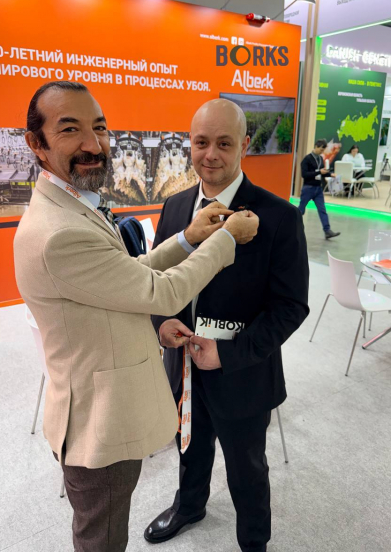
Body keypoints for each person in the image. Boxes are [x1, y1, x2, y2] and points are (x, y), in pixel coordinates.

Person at [13, 82, 259, 552]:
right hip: (98, 427)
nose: (93, 144)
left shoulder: (73, 204)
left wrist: (187, 238)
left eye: (100, 128)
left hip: (204, 382)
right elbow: (159, 291)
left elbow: (129, 274)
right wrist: (225, 240)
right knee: (103, 538)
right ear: (36, 143)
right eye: (70, 129)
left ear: (243, 145)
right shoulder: (59, 231)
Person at [144, 99, 310, 552]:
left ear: (245, 145)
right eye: (201, 142)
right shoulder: (176, 207)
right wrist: (162, 323)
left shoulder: (279, 217)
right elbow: (155, 282)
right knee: (189, 445)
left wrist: (229, 352)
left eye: (224, 143)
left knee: (247, 466)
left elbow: (291, 307)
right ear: (189, 143)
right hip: (183, 364)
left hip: (243, 371)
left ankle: (254, 540)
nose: (210, 155)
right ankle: (189, 505)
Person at [299, 138, 340, 239]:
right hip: (308, 188)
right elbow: (304, 174)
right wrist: (319, 172)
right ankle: (292, 226)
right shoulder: (307, 159)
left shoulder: (320, 159)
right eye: (321, 149)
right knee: (301, 210)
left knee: (322, 210)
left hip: (318, 189)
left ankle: (327, 231)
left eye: (323, 150)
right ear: (316, 146)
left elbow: (322, 173)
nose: (322, 152)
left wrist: (330, 174)